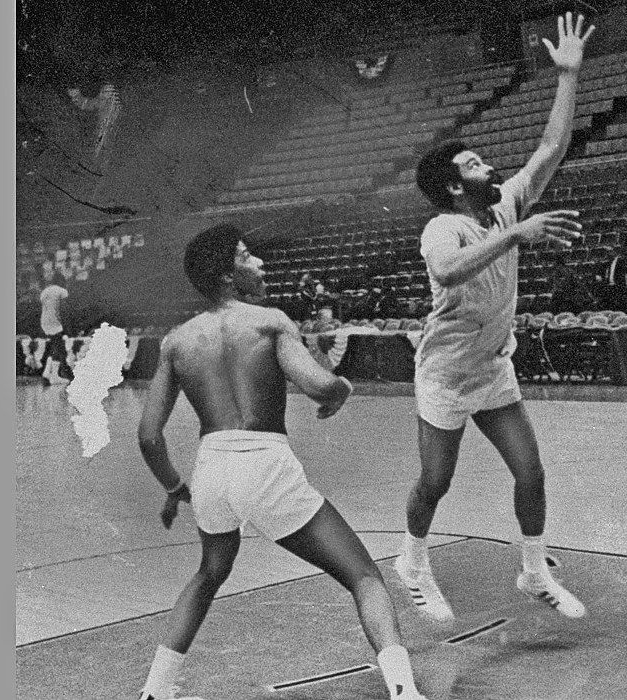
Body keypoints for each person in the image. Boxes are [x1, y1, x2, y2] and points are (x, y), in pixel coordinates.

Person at [134, 224, 426, 700]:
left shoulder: (176, 342)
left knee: (209, 572)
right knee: (364, 576)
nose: (262, 265)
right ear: (229, 275)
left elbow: (148, 437)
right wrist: (342, 390)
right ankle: (403, 692)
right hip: (264, 462)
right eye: (249, 257)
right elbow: (320, 386)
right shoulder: (270, 322)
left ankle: (154, 691)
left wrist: (173, 487)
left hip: (211, 468)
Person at [395, 12, 595, 623]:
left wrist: (568, 76)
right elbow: (451, 270)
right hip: (446, 374)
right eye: (475, 165)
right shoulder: (444, 226)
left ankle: (534, 572)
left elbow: (551, 148)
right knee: (435, 484)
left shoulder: (505, 204)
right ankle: (411, 561)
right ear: (456, 188)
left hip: (493, 368)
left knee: (531, 472)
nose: (489, 168)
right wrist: (520, 235)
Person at [38, 275, 73, 384]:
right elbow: (64, 309)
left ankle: (46, 373)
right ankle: (54, 376)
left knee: (54, 346)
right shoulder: (62, 291)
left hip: (44, 322)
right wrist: (67, 327)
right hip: (55, 322)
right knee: (58, 348)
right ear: (62, 282)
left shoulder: (44, 292)